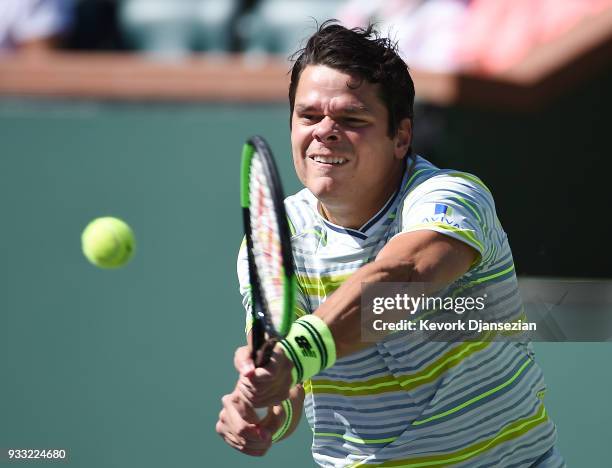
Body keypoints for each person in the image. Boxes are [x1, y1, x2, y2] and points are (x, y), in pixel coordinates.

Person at [216, 21, 565, 467]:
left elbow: (403, 276)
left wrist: (296, 354)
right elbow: (288, 384)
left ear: (401, 137)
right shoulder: (273, 240)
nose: (324, 131)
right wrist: (262, 409)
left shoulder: (451, 197)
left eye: (350, 119)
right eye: (308, 116)